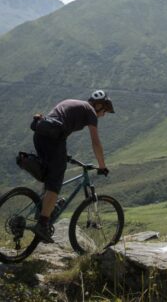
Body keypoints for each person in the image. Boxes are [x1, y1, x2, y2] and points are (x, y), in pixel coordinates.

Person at [31, 90, 114, 243]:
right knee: (55, 184)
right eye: (105, 110)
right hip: (53, 138)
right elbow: (95, 142)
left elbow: (62, 129)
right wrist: (102, 166)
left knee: (49, 175)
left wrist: (64, 155)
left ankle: (43, 210)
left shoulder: (75, 104)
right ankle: (42, 224)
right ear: (98, 105)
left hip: (40, 134)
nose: (104, 114)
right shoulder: (90, 111)